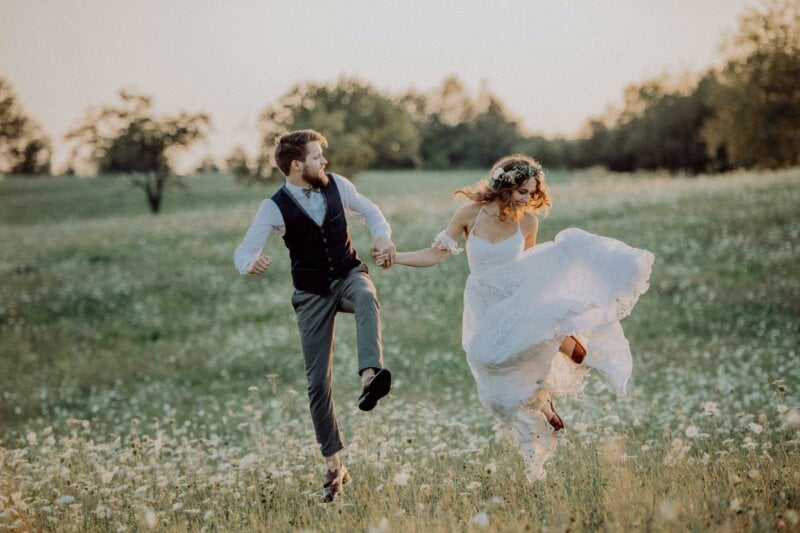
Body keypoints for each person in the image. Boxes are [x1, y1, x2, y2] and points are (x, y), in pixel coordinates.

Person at [375, 155, 654, 481]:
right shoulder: (469, 215)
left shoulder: (527, 221)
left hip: (517, 297)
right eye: (522, 191)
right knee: (487, 362)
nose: (527, 198)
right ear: (504, 185)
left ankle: (566, 347)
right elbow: (434, 254)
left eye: (532, 192)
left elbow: (530, 263)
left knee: (525, 349)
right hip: (484, 300)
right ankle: (544, 401)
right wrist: (398, 259)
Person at [234, 129, 396, 502]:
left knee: (367, 297)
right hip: (311, 295)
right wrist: (249, 263)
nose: (324, 162)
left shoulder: (338, 184)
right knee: (316, 385)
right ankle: (335, 465)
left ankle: (370, 378)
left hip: (348, 275)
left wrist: (382, 235)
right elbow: (245, 249)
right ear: (296, 165)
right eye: (316, 156)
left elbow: (369, 211)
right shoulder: (273, 207)